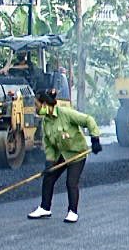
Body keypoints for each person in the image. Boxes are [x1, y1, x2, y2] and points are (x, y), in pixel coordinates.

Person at [27, 89, 102, 223]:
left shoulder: (65, 113)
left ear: (44, 105)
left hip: (76, 153)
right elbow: (49, 144)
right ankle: (45, 208)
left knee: (71, 182)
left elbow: (88, 120)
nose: (35, 108)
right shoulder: (46, 121)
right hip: (61, 153)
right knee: (48, 177)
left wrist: (95, 139)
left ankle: (72, 212)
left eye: (36, 105)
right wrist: (49, 161)